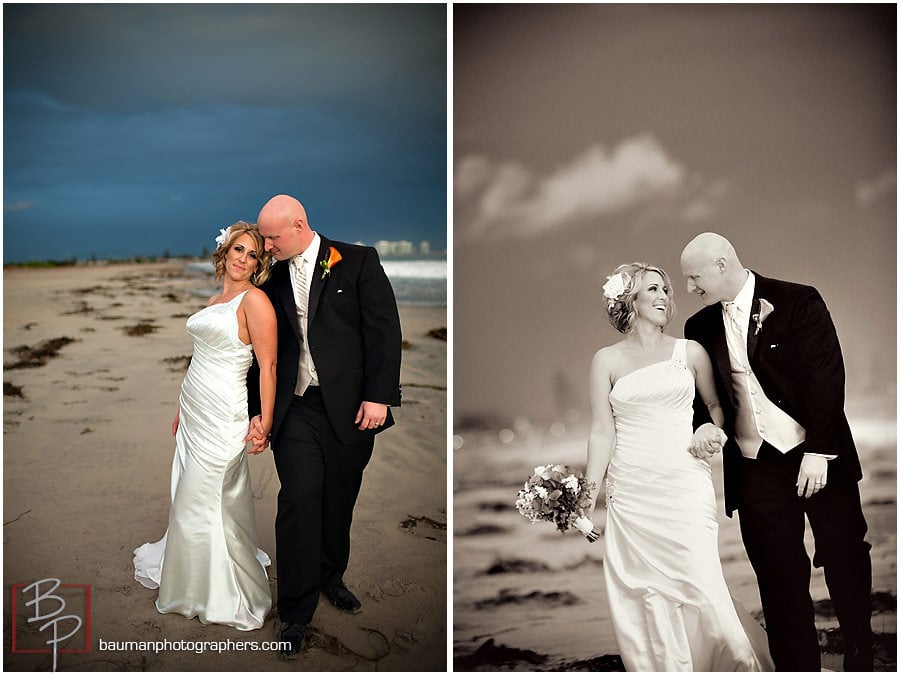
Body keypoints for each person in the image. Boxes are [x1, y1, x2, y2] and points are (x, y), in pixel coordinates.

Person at [679, 232, 874, 671]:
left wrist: (819, 451)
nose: (690, 289)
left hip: (816, 452)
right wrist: (704, 428)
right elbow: (701, 398)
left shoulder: (798, 301)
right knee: (777, 574)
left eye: (694, 278)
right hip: (754, 466)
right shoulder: (699, 328)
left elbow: (826, 376)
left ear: (723, 265)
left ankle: (860, 654)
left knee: (843, 554)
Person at [585, 262, 773, 671]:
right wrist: (587, 494)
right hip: (631, 491)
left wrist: (710, 429)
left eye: (666, 290)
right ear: (629, 300)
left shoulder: (688, 351)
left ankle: (736, 662)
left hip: (684, 483)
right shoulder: (606, 361)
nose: (664, 297)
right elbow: (602, 432)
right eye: (653, 289)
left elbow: (716, 407)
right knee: (644, 592)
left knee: (699, 580)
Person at [245, 194, 402, 659]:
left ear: (298, 225)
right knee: (298, 498)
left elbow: (384, 330)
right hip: (295, 409)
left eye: (272, 237)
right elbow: (259, 349)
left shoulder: (356, 261)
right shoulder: (269, 275)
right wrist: (258, 408)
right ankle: (295, 611)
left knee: (340, 498)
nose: (266, 245)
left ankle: (332, 578)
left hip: (354, 407)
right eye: (263, 238)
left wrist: (379, 396)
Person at [133, 221, 277, 631]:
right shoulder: (217, 299)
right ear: (224, 252)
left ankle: (214, 587)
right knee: (187, 491)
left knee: (207, 494)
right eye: (238, 250)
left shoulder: (256, 302)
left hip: (224, 413)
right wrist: (184, 406)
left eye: (252, 254)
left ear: (258, 263)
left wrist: (264, 421)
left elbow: (268, 366)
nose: (243, 259)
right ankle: (189, 569)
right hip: (195, 409)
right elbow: (201, 358)